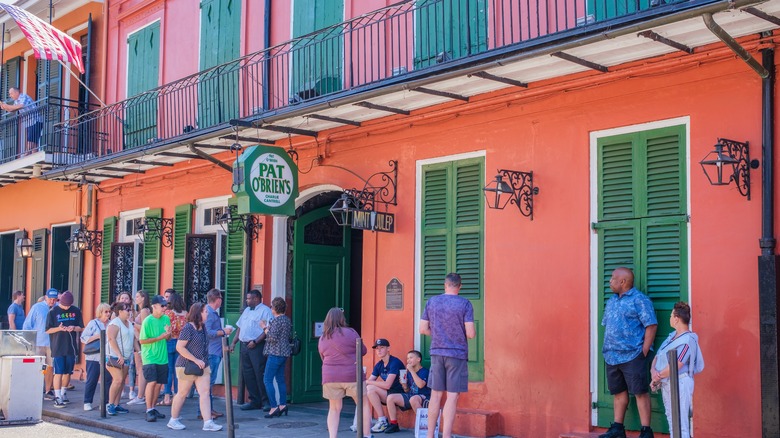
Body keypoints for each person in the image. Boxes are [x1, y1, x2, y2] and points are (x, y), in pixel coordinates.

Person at [600, 267, 658, 438]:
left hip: (633, 355)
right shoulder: (611, 301)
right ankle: (618, 428)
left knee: (640, 392)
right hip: (612, 355)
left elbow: (651, 325)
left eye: (613, 279)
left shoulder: (639, 300)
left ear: (623, 282)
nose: (610, 281)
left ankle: (646, 431)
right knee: (618, 392)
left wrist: (644, 351)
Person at [419, 273, 476, 438]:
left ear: (445, 285)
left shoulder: (432, 302)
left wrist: (437, 335)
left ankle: (430, 435)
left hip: (437, 352)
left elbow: (422, 329)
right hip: (457, 355)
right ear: (460, 286)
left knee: (435, 395)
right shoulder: (465, 304)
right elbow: (471, 333)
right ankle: (446, 435)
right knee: (452, 396)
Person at [167, 302, 223, 432]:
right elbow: (179, 347)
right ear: (198, 313)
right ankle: (173, 419)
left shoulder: (202, 327)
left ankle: (208, 422)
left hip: (203, 365)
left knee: (204, 393)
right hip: (186, 365)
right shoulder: (188, 328)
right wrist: (195, 359)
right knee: (182, 393)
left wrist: (201, 361)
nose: (207, 313)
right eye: (205, 311)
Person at [651, 302, 704, 438]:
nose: (669, 318)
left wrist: (657, 377)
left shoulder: (688, 340)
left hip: (680, 382)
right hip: (666, 382)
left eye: (670, 316)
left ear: (676, 318)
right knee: (671, 419)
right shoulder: (671, 337)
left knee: (681, 422)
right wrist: (654, 374)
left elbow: (678, 363)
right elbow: (657, 356)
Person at [318, 307, 371, 438]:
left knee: (334, 408)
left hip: (330, 376)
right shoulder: (351, 332)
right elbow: (363, 351)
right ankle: (367, 435)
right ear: (342, 319)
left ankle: (332, 436)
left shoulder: (323, 338)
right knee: (363, 404)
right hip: (352, 375)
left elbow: (322, 357)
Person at [229, 289, 272, 411]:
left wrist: (255, 341)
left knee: (259, 373)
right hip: (244, 345)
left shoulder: (265, 311)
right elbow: (240, 328)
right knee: (248, 374)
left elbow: (267, 330)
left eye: (249, 298)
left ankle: (266, 401)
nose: (247, 300)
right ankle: (254, 400)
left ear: (256, 298)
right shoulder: (247, 311)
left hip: (257, 346)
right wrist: (233, 342)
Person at [45, 290, 84, 408]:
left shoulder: (76, 311)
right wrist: (59, 328)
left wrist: (74, 327)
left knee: (68, 372)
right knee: (58, 372)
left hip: (71, 346)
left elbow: (81, 327)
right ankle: (57, 397)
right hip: (57, 346)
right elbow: (47, 330)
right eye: (64, 305)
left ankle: (63, 394)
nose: (66, 308)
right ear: (59, 302)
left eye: (68, 306)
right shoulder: (53, 312)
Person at [139, 294, 172, 422]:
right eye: (162, 306)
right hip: (149, 357)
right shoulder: (147, 321)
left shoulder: (166, 319)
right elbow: (142, 340)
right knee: (152, 382)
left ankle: (152, 408)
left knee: (159, 385)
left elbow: (168, 338)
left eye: (166, 305)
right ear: (154, 306)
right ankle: (148, 410)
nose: (165, 308)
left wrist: (168, 334)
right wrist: (160, 337)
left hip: (162, 357)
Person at [383, 350, 432, 433]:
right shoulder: (408, 373)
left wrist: (412, 371)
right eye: (407, 358)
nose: (408, 360)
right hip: (411, 396)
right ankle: (394, 424)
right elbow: (408, 390)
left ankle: (425, 425)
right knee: (390, 397)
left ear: (418, 359)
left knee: (413, 399)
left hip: (424, 397)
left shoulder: (425, 371)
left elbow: (420, 385)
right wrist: (404, 385)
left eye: (411, 358)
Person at [260, 297, 292, 418]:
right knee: (280, 380)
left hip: (275, 353)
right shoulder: (286, 320)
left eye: (272, 306)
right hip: (284, 353)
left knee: (267, 379)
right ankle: (283, 405)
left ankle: (274, 407)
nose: (271, 308)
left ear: (275, 308)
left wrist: (264, 327)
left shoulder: (277, 321)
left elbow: (272, 337)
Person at [24, 288, 58, 399]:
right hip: (38, 342)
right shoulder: (37, 307)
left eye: (54, 299)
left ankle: (48, 391)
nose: (52, 301)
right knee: (38, 367)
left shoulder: (57, 309)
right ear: (46, 297)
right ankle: (36, 389)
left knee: (50, 367)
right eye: (50, 299)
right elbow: (28, 325)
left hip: (52, 343)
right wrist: (28, 342)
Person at [366, 338, 405, 433]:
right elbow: (369, 381)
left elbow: (387, 385)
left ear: (388, 349)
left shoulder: (394, 362)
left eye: (382, 347)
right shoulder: (379, 365)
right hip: (388, 393)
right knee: (369, 389)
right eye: (377, 348)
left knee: (370, 387)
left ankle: (383, 421)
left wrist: (368, 382)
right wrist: (367, 382)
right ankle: (382, 420)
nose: (379, 350)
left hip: (400, 394)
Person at [205, 289, 233, 418]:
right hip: (212, 352)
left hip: (214, 351)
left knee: (208, 383)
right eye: (221, 297)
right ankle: (205, 411)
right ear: (217, 299)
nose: (222, 300)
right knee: (208, 383)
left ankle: (208, 410)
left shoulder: (211, 312)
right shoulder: (209, 313)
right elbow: (208, 332)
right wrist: (224, 332)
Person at [80, 302, 113, 411]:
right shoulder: (93, 323)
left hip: (108, 355)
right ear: (100, 312)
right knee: (92, 379)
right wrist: (98, 336)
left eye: (109, 311)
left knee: (108, 379)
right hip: (94, 356)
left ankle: (105, 402)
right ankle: (87, 401)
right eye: (106, 312)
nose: (108, 314)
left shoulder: (112, 324)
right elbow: (83, 338)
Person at [106, 302, 134, 415]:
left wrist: (139, 351)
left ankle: (117, 405)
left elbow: (134, 339)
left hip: (127, 356)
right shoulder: (115, 323)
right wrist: (119, 355)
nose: (129, 312)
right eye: (127, 310)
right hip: (113, 356)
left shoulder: (129, 323)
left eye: (130, 309)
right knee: (117, 380)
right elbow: (111, 339)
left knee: (121, 381)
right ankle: (110, 404)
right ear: (120, 311)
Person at [162, 290, 187, 406]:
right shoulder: (185, 314)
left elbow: (165, 328)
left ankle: (167, 396)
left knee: (168, 370)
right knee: (178, 371)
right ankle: (177, 395)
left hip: (169, 341)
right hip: (181, 343)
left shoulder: (168, 313)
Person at [0, 87, 43, 154]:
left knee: (31, 140)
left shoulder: (23, 97)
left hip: (35, 121)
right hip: (30, 123)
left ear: (17, 92)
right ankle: (34, 158)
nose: (10, 95)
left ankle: (26, 155)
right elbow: (12, 110)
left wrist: (6, 105)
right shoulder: (16, 101)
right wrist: (4, 106)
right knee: (34, 142)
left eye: (11, 93)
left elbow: (20, 106)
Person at [129, 290, 152, 405]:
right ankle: (142, 395)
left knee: (141, 369)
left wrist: (132, 323)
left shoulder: (143, 310)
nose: (135, 298)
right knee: (141, 369)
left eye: (138, 296)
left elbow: (144, 327)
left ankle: (140, 395)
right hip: (140, 342)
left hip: (141, 343)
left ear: (143, 298)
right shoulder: (143, 310)